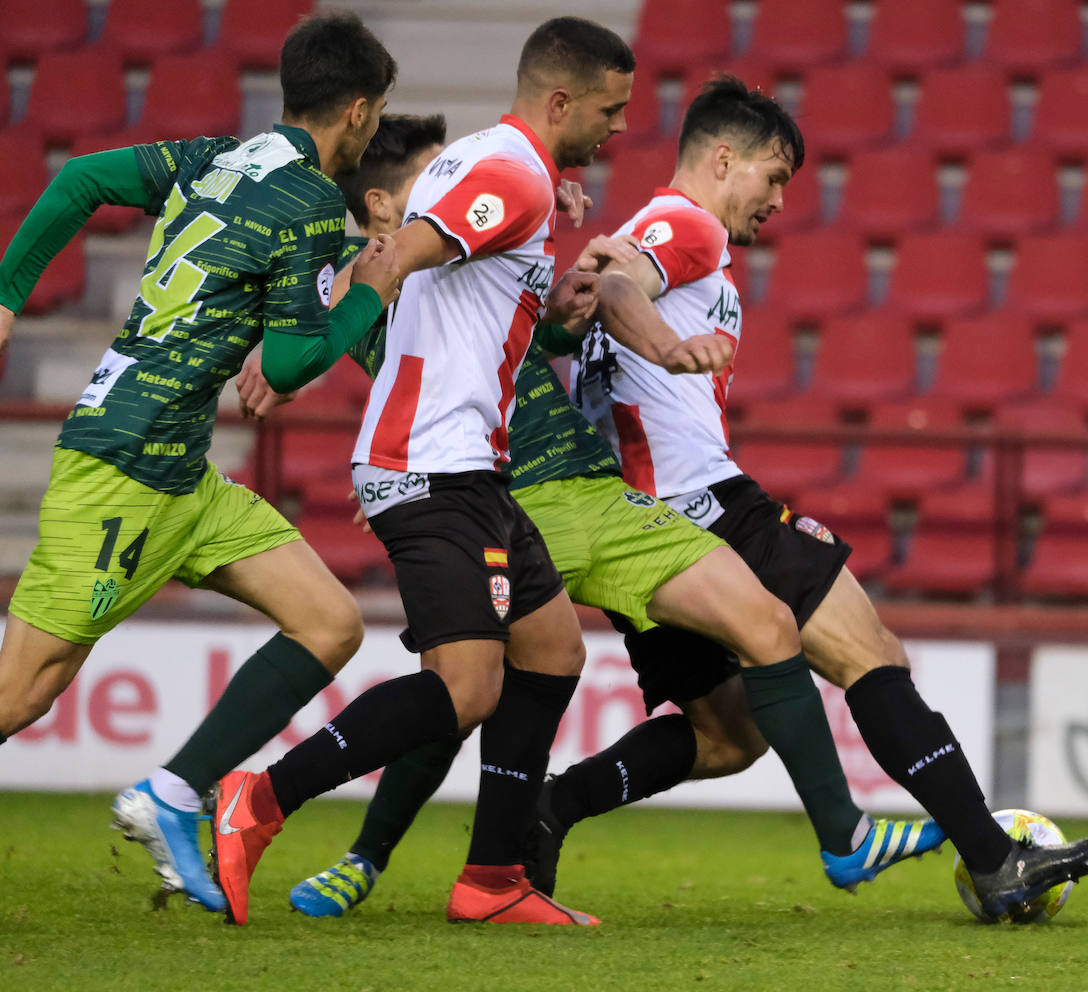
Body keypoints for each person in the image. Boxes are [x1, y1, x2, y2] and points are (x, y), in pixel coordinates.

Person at [233, 113, 944, 920]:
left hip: (549, 486)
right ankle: (353, 848)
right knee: (464, 688)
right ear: (385, 206)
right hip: (511, 494)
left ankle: (481, 871)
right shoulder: (378, 285)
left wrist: (550, 269)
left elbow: (544, 331)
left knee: (497, 680)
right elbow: (347, 350)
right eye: (434, 181)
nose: (457, 192)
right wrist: (300, 373)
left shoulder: (472, 268)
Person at [567, 75, 1088, 922]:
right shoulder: (688, 226)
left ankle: (542, 814)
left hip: (634, 530)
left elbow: (602, 290)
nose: (779, 201)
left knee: (727, 737)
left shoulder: (642, 233)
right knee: (872, 654)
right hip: (703, 503)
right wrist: (674, 346)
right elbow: (619, 289)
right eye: (774, 177)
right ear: (723, 161)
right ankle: (992, 857)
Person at [200, 16, 647, 928]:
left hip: (469, 462)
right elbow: (410, 250)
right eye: (612, 109)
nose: (619, 128)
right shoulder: (511, 172)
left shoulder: (489, 160)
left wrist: (548, 299)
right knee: (467, 687)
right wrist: (354, 301)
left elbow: (459, 277)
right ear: (560, 100)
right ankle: (261, 797)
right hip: (433, 461)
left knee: (555, 650)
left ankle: (491, 880)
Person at [0, 12, 401, 914]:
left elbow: (78, 179)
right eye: (378, 117)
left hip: (182, 475)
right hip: (124, 469)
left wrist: (6, 295)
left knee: (328, 622)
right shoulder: (306, 200)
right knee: (22, 694)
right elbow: (295, 362)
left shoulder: (215, 157)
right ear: (360, 112)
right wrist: (370, 291)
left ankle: (172, 794)